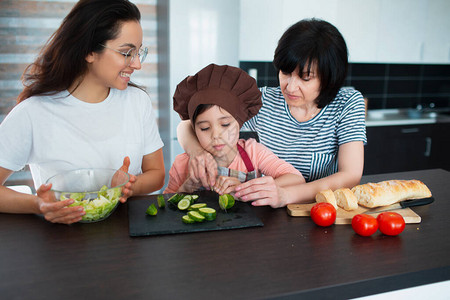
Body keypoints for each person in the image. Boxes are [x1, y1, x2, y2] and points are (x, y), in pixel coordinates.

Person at [0, 0, 165, 224]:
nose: (137, 64)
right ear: (89, 51)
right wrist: (38, 204)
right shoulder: (33, 113)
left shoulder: (137, 102)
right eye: (127, 53)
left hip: (130, 237)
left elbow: (156, 173)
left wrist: (130, 186)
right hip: (62, 242)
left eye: (139, 52)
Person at [177, 19, 366, 207]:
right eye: (285, 72)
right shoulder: (265, 100)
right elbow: (186, 125)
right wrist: (197, 153)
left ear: (329, 78)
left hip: (322, 208)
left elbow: (350, 175)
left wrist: (286, 195)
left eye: (305, 77)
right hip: (270, 208)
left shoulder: (347, 103)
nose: (290, 87)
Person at [165, 64, 305, 203]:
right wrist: (185, 188)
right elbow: (165, 207)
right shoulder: (182, 163)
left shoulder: (253, 152)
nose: (216, 135)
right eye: (205, 128)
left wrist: (244, 189)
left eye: (225, 125)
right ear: (194, 130)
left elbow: (296, 179)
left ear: (239, 123)